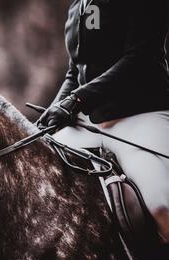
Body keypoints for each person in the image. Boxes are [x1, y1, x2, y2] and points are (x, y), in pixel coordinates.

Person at [37, 0, 169, 242]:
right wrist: (54, 111)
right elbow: (75, 73)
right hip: (88, 123)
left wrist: (75, 101)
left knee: (161, 207)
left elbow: (140, 58)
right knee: (36, 173)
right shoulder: (77, 6)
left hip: (141, 117)